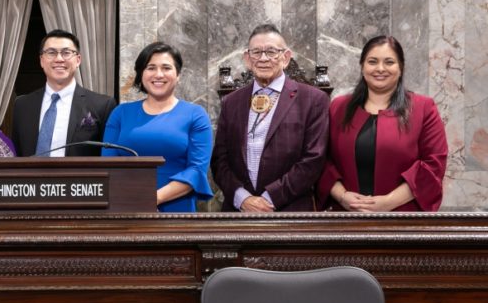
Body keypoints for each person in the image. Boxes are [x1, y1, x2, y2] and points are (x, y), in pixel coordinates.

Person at [317, 36, 448, 211]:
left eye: (389, 62)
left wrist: (387, 203)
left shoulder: (423, 108)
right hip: (346, 217)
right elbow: (321, 160)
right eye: (372, 62)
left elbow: (433, 165)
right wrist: (342, 197)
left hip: (401, 218)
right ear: (362, 66)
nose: (380, 69)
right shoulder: (338, 107)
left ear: (401, 67)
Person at [211, 24, 330, 212]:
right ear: (247, 59)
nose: (263, 58)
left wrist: (270, 199)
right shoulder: (231, 102)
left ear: (286, 57)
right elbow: (220, 160)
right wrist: (243, 199)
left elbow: (313, 159)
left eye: (272, 52)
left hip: (290, 212)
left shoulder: (312, 100)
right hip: (238, 214)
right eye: (256, 52)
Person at [101, 42, 213, 212]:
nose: (158, 74)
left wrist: (153, 198)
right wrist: (132, 198)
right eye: (151, 68)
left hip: (176, 209)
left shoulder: (195, 115)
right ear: (141, 74)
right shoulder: (120, 113)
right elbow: (108, 166)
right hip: (125, 206)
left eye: (166, 68)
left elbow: (196, 170)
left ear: (178, 75)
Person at [11, 29, 117, 156]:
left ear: (78, 60)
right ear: (41, 60)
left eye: (66, 53)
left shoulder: (102, 105)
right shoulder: (22, 105)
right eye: (51, 53)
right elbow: (16, 154)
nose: (59, 59)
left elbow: (108, 157)